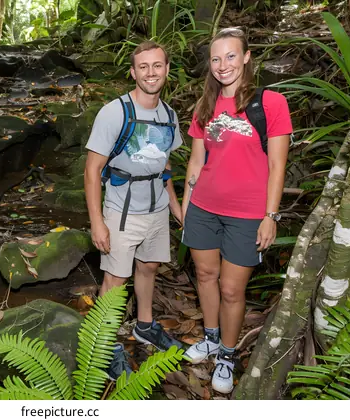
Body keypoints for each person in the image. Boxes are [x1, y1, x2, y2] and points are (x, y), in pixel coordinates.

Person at [181, 28, 292, 394]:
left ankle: (227, 354)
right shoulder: (205, 106)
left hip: (247, 214)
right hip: (203, 208)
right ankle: (211, 338)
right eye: (216, 58)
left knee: (231, 288)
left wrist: (270, 216)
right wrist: (186, 205)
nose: (223, 65)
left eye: (231, 56)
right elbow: (196, 163)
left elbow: (277, 166)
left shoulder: (270, 103)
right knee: (206, 275)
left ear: (246, 57)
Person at [84, 41, 184, 380]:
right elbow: (91, 169)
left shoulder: (169, 115)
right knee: (115, 277)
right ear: (133, 71)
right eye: (143, 67)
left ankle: (144, 325)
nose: (151, 73)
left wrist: (175, 206)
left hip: (155, 205)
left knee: (150, 266)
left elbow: (164, 163)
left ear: (167, 70)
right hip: (121, 208)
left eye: (157, 66)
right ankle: (105, 344)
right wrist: (97, 222)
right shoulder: (115, 112)